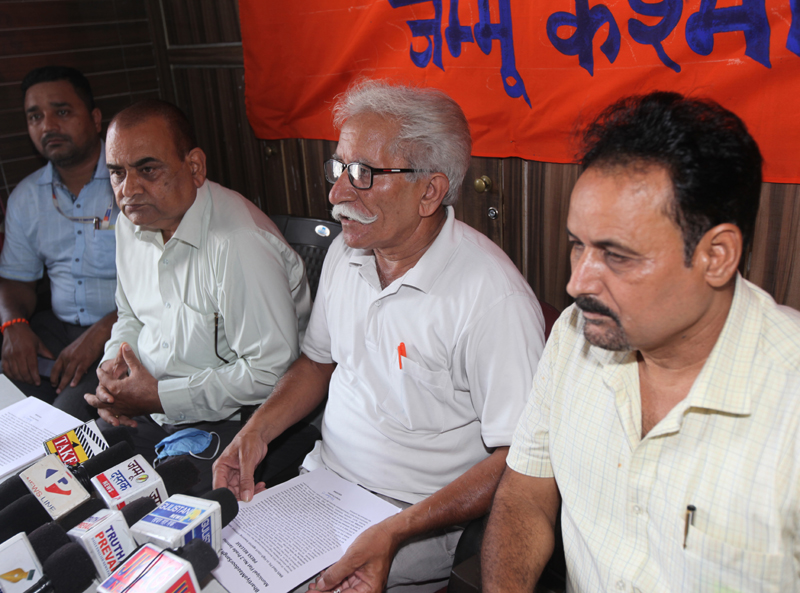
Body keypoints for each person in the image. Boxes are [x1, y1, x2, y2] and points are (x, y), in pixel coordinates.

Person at [213, 80, 546, 593]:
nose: (337, 193)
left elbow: (518, 462)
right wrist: (254, 433)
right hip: (321, 486)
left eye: (365, 174)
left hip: (414, 521)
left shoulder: (492, 300)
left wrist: (397, 529)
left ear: (430, 191)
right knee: (206, 559)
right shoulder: (349, 254)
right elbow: (318, 363)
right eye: (340, 167)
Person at [482, 91, 800, 592]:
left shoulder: (789, 401)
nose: (578, 284)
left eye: (618, 256)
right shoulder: (575, 336)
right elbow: (525, 493)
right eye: (577, 246)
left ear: (717, 255)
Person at [84, 99, 312, 492]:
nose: (129, 189)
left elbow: (271, 372)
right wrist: (114, 371)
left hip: (237, 419)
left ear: (194, 167)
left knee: (162, 514)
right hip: (154, 403)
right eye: (117, 173)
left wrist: (159, 397)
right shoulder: (129, 222)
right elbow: (132, 317)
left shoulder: (239, 243)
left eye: (148, 169)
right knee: (77, 481)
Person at [0, 66, 118, 421]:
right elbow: (16, 281)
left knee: (60, 425)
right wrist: (13, 324)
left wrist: (100, 333)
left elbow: (169, 285)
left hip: (126, 331)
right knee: (11, 408)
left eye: (61, 112)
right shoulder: (26, 197)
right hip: (58, 331)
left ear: (95, 119)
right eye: (35, 116)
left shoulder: (131, 183)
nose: (47, 126)